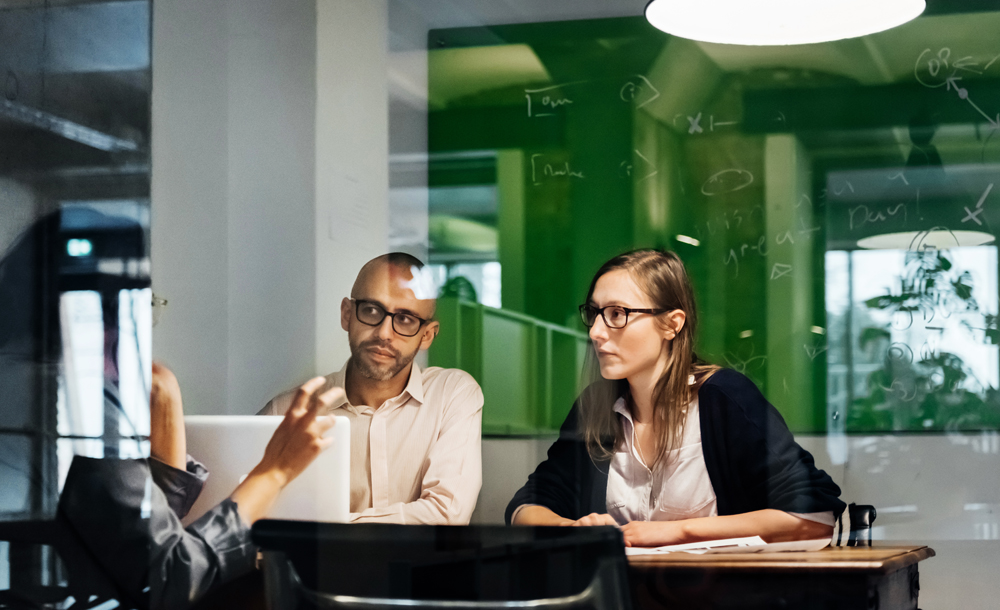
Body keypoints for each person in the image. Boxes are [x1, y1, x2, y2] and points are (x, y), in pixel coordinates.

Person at [506, 249, 845, 547]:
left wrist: (677, 532)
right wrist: (572, 529)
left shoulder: (723, 398)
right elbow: (526, 507)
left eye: (616, 314)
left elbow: (814, 517)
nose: (595, 331)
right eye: (594, 313)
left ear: (672, 324)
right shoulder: (595, 406)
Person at [57, 362, 341, 609]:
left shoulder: (46, 385)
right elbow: (168, 578)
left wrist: (165, 407)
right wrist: (275, 471)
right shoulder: (85, 403)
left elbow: (148, 545)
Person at [259, 252, 484, 524]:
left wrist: (322, 527)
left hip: (419, 568)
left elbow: (446, 514)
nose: (384, 333)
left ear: (426, 335)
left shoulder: (452, 395)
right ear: (347, 315)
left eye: (405, 319)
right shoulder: (285, 413)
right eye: (371, 311)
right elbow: (249, 517)